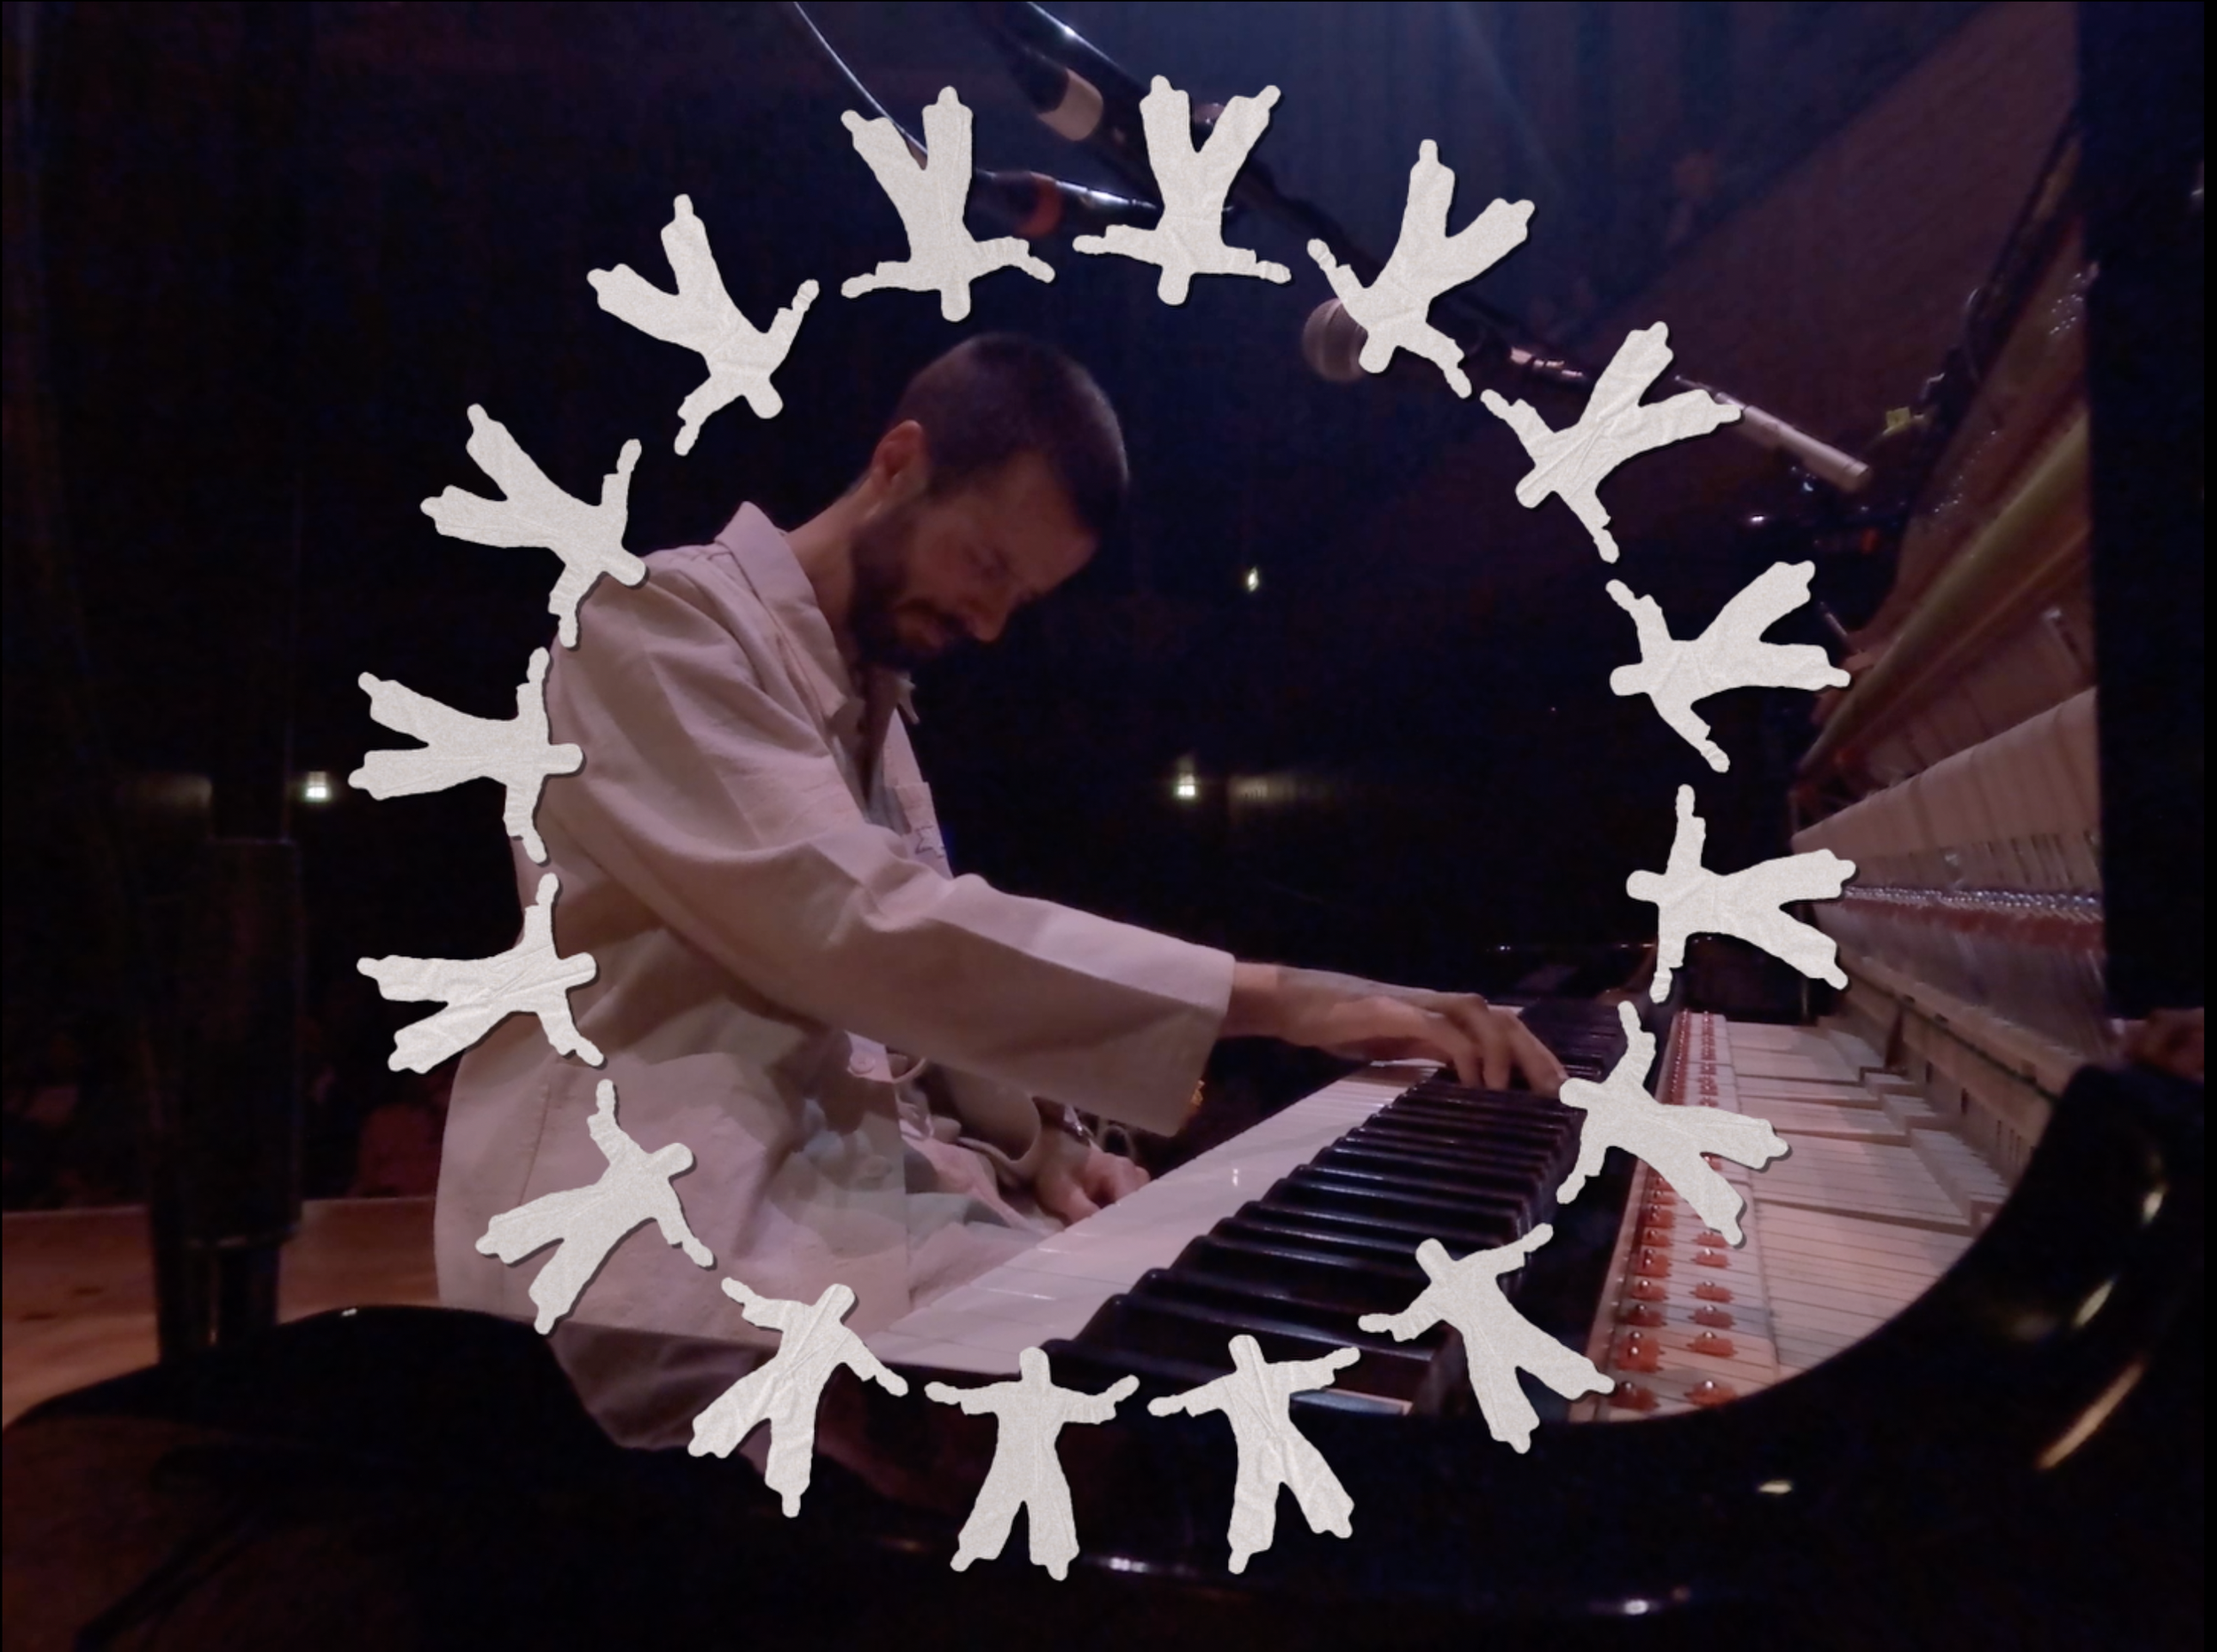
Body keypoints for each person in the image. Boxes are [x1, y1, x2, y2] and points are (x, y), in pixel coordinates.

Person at [436, 333, 1563, 1351]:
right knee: (1185, 1377)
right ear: (900, 463)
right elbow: (863, 931)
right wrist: (1286, 998)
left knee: (1254, 1332)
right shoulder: (654, 622)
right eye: (985, 563)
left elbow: (909, 1011)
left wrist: (1045, 1148)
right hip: (652, 1228)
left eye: (1018, 598)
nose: (986, 624)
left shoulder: (872, 700)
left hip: (832, 1204)